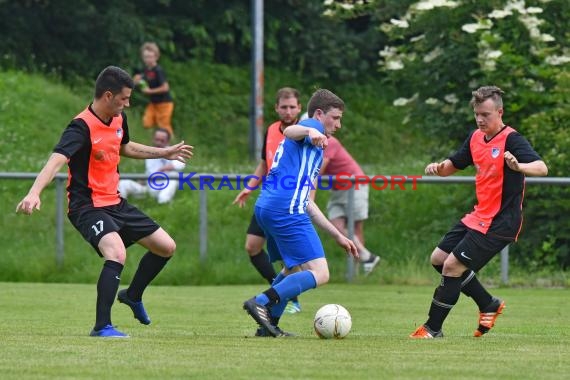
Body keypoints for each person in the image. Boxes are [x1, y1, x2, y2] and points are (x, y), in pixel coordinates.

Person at [16, 66, 193, 338]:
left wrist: (165, 152)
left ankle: (133, 295)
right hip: (86, 206)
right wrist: (34, 192)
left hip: (115, 202)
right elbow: (57, 160)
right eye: (124, 98)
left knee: (166, 247)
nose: (128, 103)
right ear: (108, 95)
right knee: (117, 253)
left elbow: (125, 147)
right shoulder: (81, 126)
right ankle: (102, 326)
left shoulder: (118, 119)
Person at [410, 86, 548, 339]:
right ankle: (488, 304)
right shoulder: (475, 138)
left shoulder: (512, 140)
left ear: (500, 112)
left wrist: (519, 166)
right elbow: (451, 167)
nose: (480, 119)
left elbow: (542, 168)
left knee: (452, 266)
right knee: (439, 259)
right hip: (479, 216)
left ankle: (432, 329)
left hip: (500, 222)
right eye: (476, 114)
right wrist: (437, 167)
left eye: (486, 114)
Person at [242, 89, 359, 337]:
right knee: (320, 273)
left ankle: (268, 326)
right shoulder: (308, 128)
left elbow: (307, 201)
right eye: (335, 117)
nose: (338, 124)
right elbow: (289, 130)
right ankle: (261, 302)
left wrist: (337, 235)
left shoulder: (315, 149)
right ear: (319, 114)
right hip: (285, 210)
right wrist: (310, 130)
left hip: (269, 207)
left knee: (292, 269)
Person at [233, 87, 303, 315]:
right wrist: (248, 188)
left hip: (288, 201)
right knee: (252, 247)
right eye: (284, 106)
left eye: (292, 106)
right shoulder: (272, 130)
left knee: (286, 255)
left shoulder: (305, 132)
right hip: (268, 198)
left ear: (300, 108)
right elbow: (264, 164)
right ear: (276, 108)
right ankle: (281, 290)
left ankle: (292, 299)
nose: (288, 110)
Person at [313, 135, 381, 275]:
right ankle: (367, 257)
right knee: (335, 225)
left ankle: (355, 272)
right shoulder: (311, 146)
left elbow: (319, 169)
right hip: (338, 189)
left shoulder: (328, 141)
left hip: (355, 185)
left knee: (356, 228)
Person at [118, 128, 185, 204]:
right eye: (157, 140)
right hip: (149, 188)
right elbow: (149, 172)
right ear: (153, 139)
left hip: (164, 186)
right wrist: (141, 181)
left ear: (167, 141)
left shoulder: (171, 151)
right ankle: (121, 206)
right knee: (124, 183)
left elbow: (181, 163)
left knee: (174, 176)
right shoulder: (148, 152)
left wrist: (162, 169)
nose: (159, 142)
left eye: (162, 141)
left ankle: (163, 203)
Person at [133, 42, 175, 137]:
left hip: (164, 103)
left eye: (150, 57)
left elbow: (165, 87)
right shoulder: (146, 70)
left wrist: (149, 91)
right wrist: (135, 81)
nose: (148, 59)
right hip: (153, 103)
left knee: (164, 126)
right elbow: (140, 82)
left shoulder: (158, 70)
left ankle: (173, 145)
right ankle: (154, 142)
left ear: (156, 57)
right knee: (147, 122)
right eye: (146, 57)